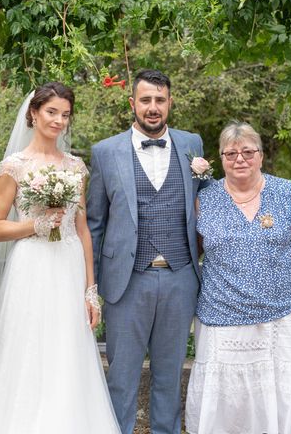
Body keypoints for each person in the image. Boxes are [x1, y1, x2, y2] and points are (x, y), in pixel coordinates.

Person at [0, 82, 119, 433]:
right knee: (27, 348)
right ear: (33, 114)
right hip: (30, 266)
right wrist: (36, 225)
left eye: (65, 114)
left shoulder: (76, 166)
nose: (59, 121)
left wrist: (91, 289)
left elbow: (83, 229)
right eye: (51, 112)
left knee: (67, 349)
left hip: (68, 265)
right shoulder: (14, 166)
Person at [185, 121, 291, 434]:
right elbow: (191, 252)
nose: (239, 159)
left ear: (261, 156)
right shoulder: (205, 199)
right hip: (223, 313)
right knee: (231, 396)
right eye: (230, 154)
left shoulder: (286, 190)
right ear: (221, 159)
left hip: (289, 311)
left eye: (247, 152)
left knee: (285, 386)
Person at [87, 69, 204, 434]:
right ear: (132, 103)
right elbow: (94, 223)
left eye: (160, 100)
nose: (153, 108)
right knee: (121, 378)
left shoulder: (191, 145)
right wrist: (89, 286)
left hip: (180, 277)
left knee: (169, 376)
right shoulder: (105, 152)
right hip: (126, 280)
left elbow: (205, 205)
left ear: (170, 102)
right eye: (145, 100)